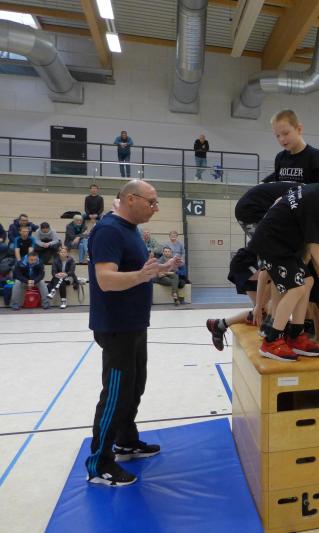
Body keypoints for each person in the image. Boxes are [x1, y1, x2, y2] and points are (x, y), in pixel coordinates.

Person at [85, 180, 182, 486]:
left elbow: (137, 272)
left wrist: (160, 269)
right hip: (117, 327)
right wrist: (142, 275)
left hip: (135, 324)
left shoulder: (131, 230)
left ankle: (125, 441)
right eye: (151, 202)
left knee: (134, 387)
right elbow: (106, 279)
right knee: (115, 394)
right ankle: (99, 463)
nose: (156, 208)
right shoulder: (109, 231)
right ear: (130, 199)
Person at [252, 157, 319, 361]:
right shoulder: (316, 200)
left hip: (282, 244)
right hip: (272, 243)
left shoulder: (314, 193)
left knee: (307, 281)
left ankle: (295, 334)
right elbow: (316, 248)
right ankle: (272, 341)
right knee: (296, 288)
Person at [266, 109, 319, 184]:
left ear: (299, 129)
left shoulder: (316, 157)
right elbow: (275, 184)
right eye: (277, 136)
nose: (281, 139)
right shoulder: (280, 157)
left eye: (286, 133)